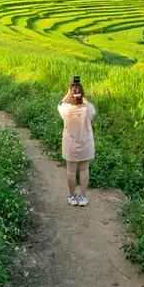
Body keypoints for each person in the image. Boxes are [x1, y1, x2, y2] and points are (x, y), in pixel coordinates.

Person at [58, 75, 95, 207]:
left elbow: (60, 103)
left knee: (71, 171)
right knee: (84, 169)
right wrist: (81, 95)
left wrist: (69, 92)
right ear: (82, 93)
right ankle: (83, 197)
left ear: (70, 92)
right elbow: (87, 105)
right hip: (86, 144)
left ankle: (72, 196)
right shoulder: (89, 108)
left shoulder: (65, 109)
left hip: (70, 144)